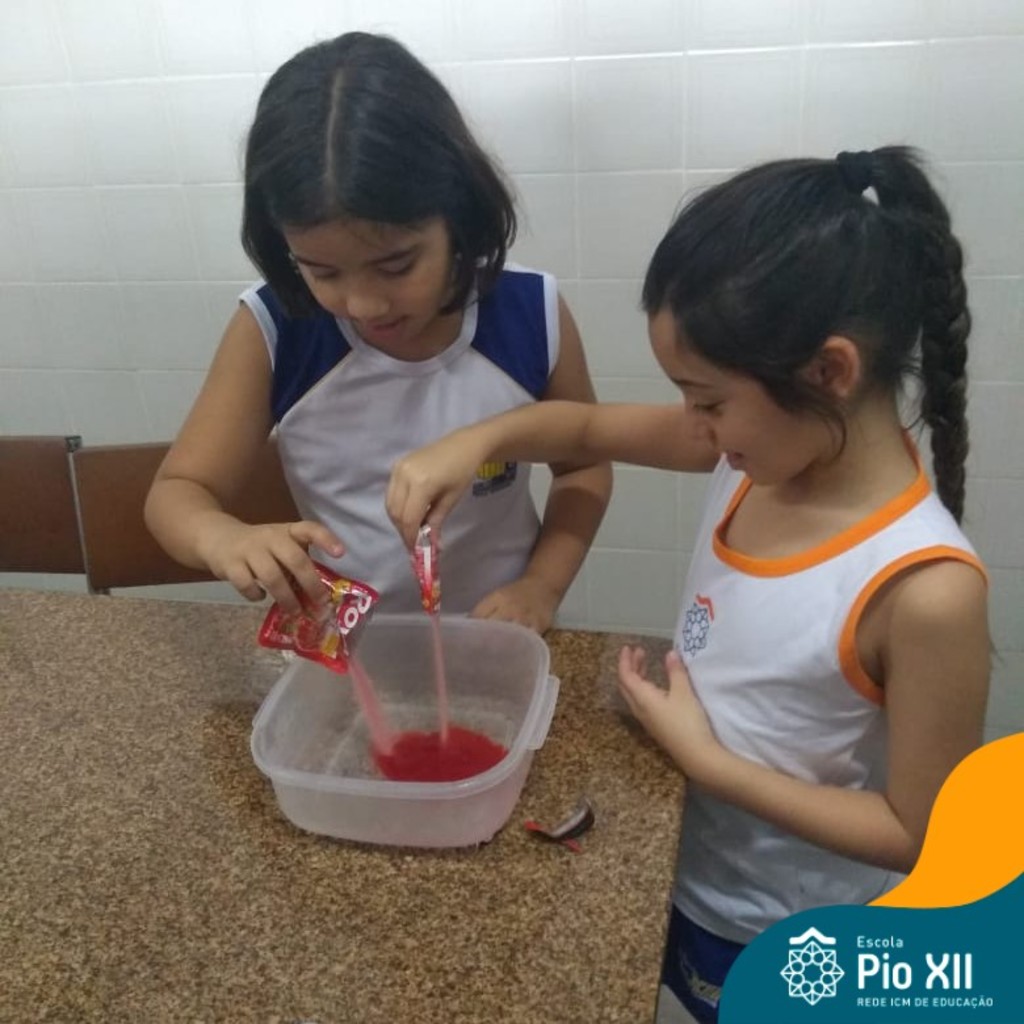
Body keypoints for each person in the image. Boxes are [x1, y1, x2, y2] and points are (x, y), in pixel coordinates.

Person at [385, 147, 990, 1021]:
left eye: (707, 400)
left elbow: (917, 831)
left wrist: (706, 761)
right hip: (688, 867)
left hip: (792, 931)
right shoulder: (757, 454)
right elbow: (583, 428)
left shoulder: (924, 589)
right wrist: (472, 445)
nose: (694, 426)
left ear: (829, 372)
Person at [144, 32, 611, 632]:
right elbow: (178, 491)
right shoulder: (277, 327)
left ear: (458, 215)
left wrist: (541, 586)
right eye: (323, 271)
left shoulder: (529, 313)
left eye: (396, 266)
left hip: (500, 638)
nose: (364, 304)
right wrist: (221, 537)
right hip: (350, 652)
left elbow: (584, 469)